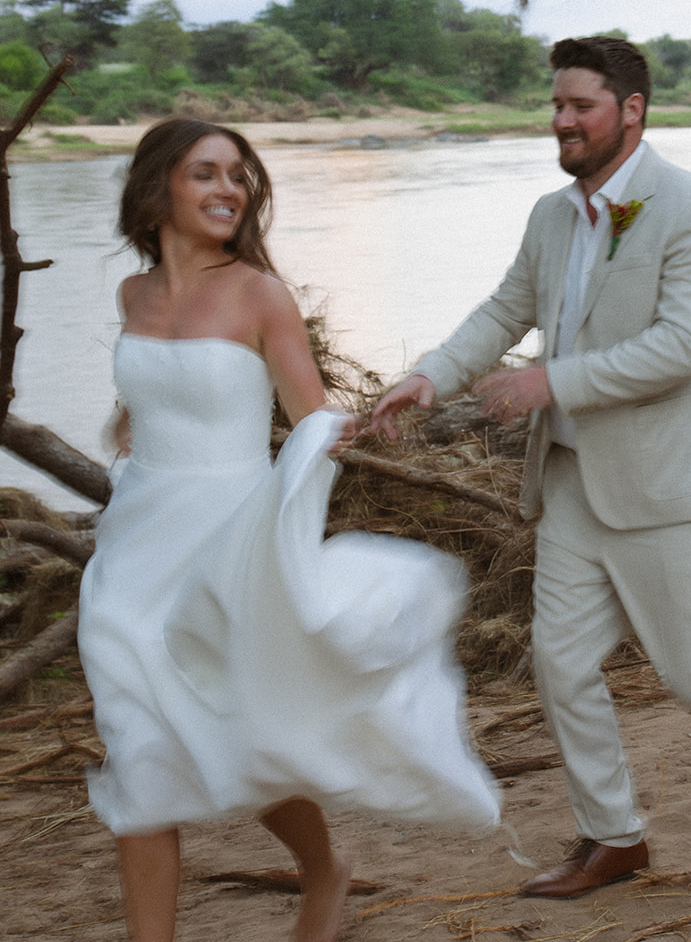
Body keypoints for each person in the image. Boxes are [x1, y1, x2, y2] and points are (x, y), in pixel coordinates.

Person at [372, 36, 691, 898]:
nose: (562, 121)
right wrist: (428, 375)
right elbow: (505, 306)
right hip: (573, 476)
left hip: (677, 481)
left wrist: (549, 381)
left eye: (580, 106)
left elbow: (685, 347)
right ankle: (613, 839)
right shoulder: (549, 214)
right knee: (559, 662)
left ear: (632, 110)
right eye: (557, 106)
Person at [79, 118, 498, 942]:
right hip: (133, 549)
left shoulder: (258, 293)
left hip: (229, 545)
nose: (228, 189)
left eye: (239, 176)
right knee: (138, 758)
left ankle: (323, 873)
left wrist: (349, 427)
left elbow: (308, 415)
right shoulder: (133, 295)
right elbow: (156, 391)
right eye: (206, 173)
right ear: (158, 186)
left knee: (250, 729)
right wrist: (133, 416)